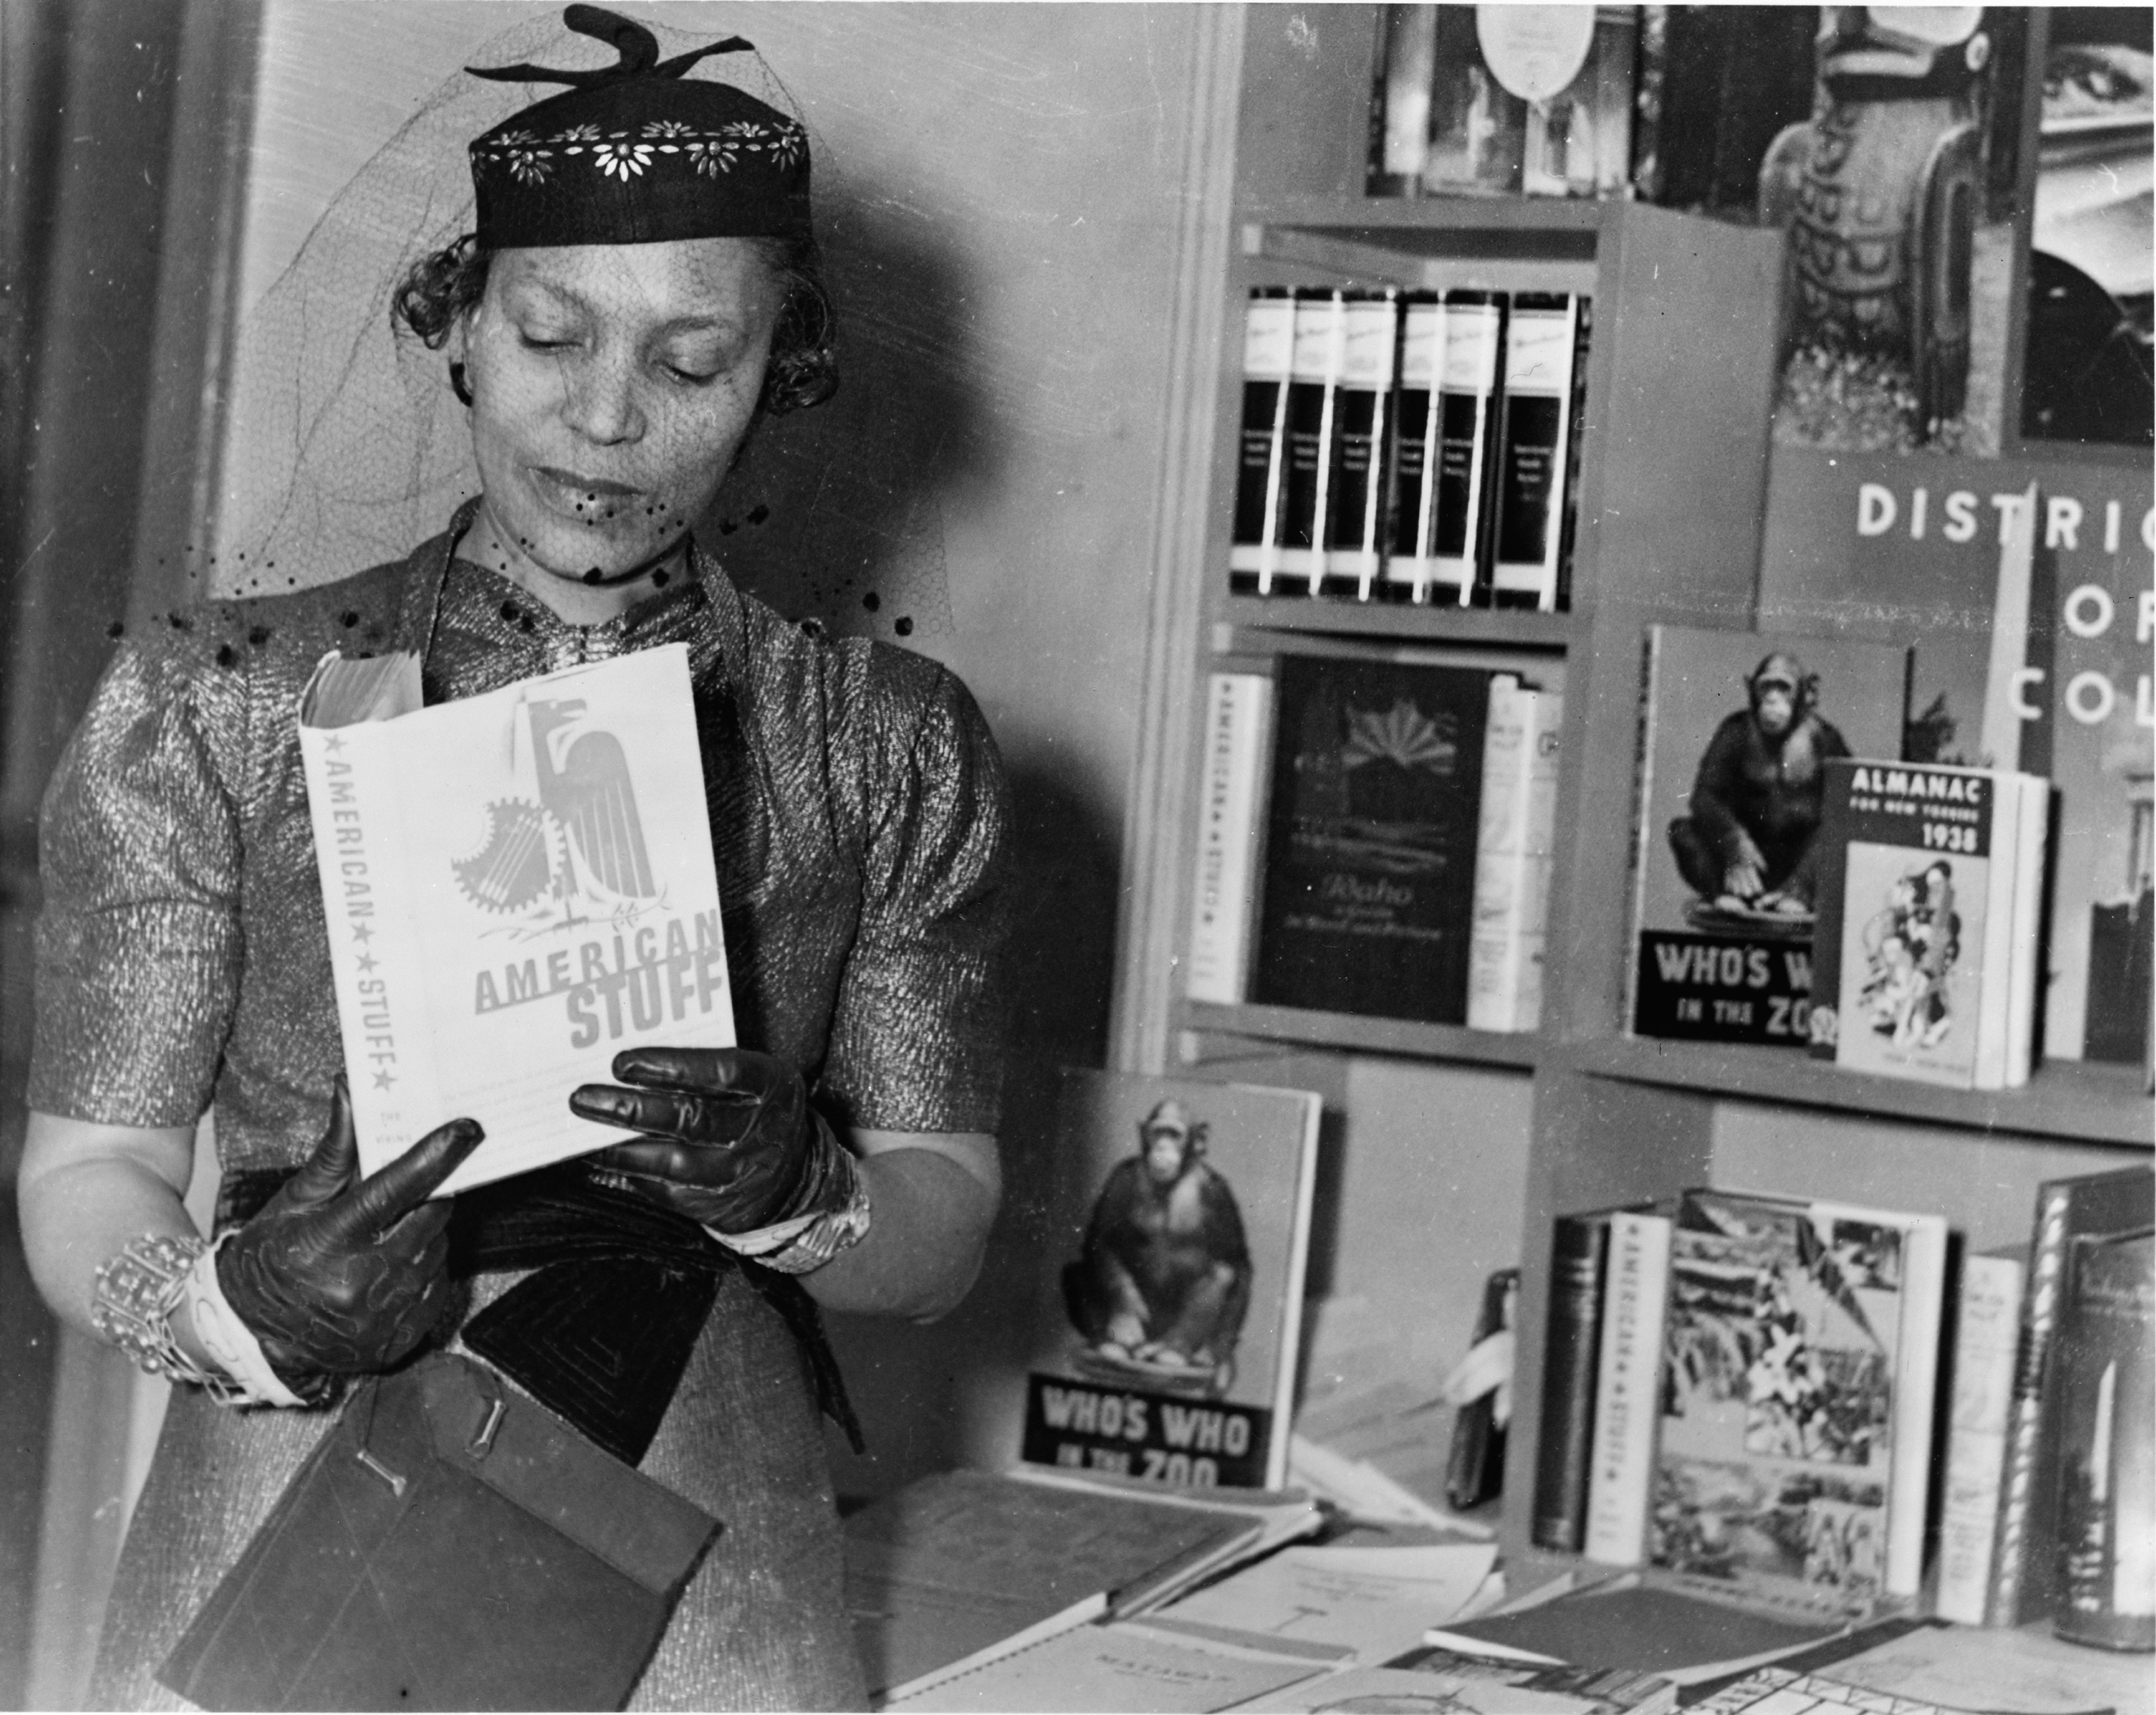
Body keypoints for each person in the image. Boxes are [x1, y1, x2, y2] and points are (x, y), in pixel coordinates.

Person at [15, 9, 1008, 1708]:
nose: (610, 420)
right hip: (298, 1489)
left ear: (784, 371)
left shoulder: (882, 738)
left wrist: (806, 1194)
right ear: (459, 322)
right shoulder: (214, 708)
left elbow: (949, 1225)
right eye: (553, 337)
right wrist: (222, 1298)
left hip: (702, 1523)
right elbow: (79, 1170)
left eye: (693, 364)